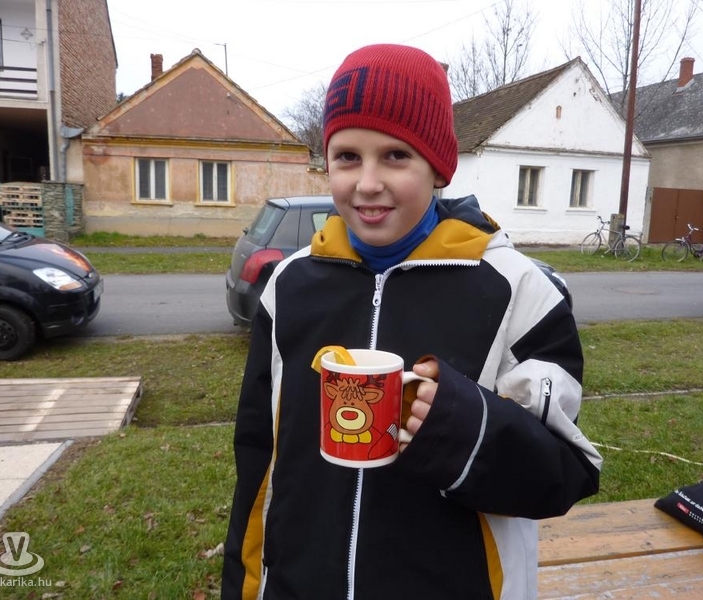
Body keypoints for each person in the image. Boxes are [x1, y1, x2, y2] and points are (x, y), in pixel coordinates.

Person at [222, 43, 602, 600]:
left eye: (396, 155)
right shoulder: (290, 286)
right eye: (347, 156)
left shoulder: (519, 291)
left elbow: (564, 474)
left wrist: (462, 426)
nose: (367, 182)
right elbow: (258, 457)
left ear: (437, 166)